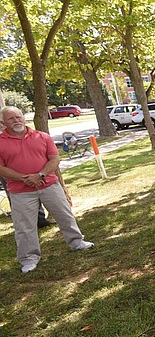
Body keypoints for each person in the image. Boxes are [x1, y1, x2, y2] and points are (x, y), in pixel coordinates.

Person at [0, 106, 94, 273]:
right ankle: (29, 259)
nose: (16, 120)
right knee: (24, 226)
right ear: (3, 123)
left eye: (18, 116)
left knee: (64, 215)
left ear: (23, 118)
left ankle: (76, 242)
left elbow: (54, 159)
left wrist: (40, 175)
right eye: (11, 118)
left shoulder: (42, 136)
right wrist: (25, 178)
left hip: (49, 184)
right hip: (20, 191)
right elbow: (1, 168)